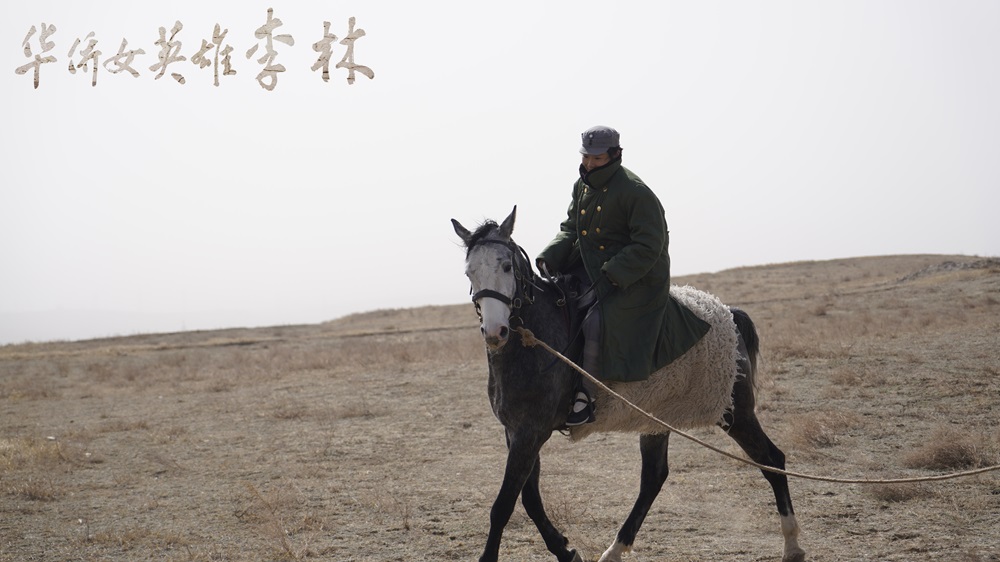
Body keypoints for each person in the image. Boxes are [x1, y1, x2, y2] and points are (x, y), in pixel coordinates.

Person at [536, 125, 710, 426]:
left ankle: (586, 398)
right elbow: (570, 229)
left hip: (636, 277)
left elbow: (649, 245)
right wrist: (549, 257)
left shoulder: (636, 192)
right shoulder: (582, 186)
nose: (589, 164)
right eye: (586, 156)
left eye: (597, 158)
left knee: (594, 320)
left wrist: (614, 273)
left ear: (615, 155)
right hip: (589, 265)